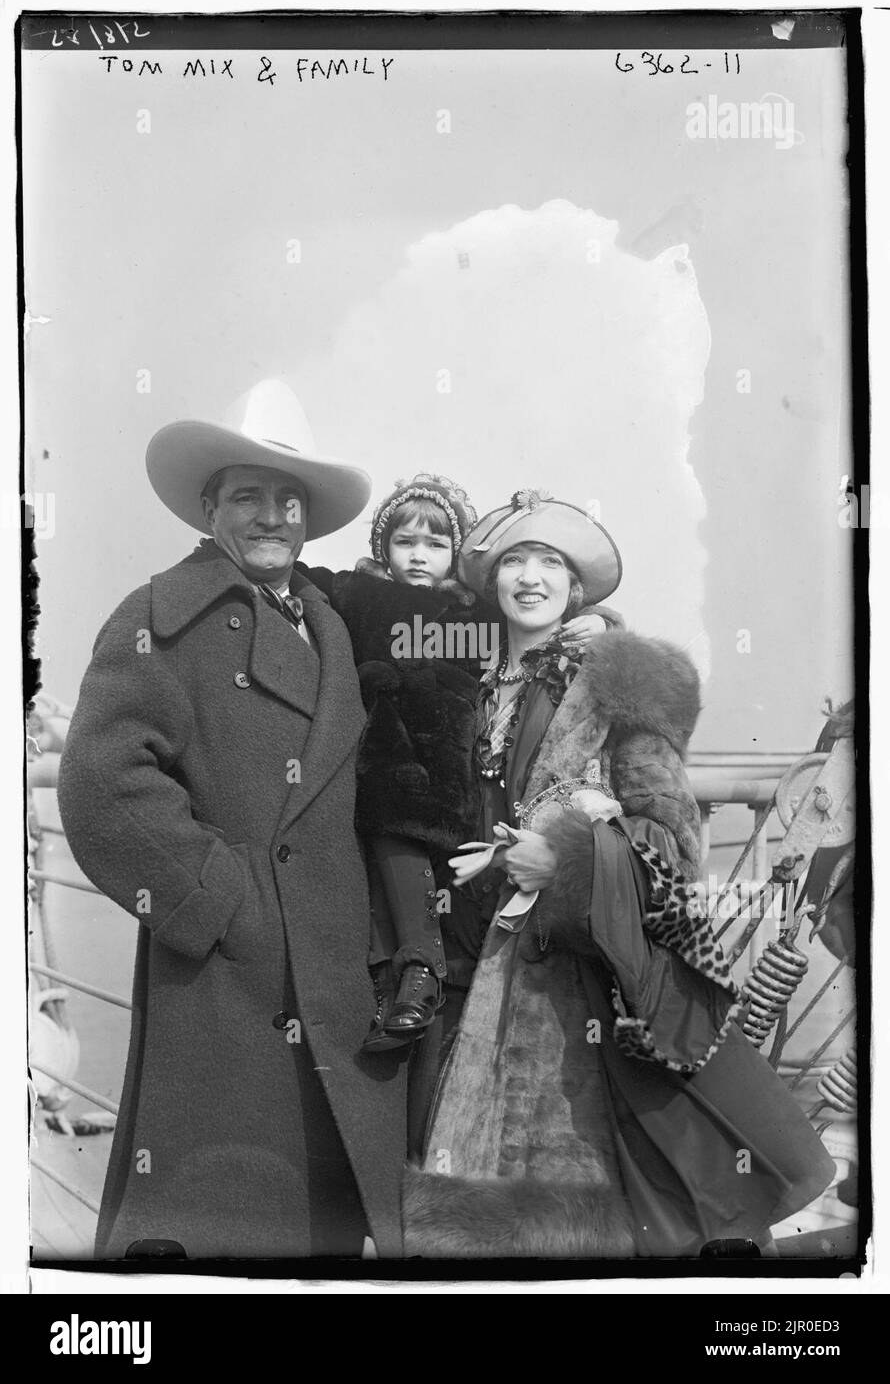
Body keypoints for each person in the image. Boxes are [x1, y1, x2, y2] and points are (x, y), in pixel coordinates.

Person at [403, 490, 836, 1257]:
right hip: (469, 969)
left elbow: (670, 837)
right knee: (466, 1201)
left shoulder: (618, 682)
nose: (529, 577)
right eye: (513, 560)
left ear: (578, 587)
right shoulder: (473, 682)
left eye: (551, 563)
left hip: (577, 986)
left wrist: (561, 860)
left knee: (579, 1207)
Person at [57, 380, 408, 1260]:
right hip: (226, 983)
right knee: (224, 1221)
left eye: (288, 499)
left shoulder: (329, 623)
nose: (272, 515)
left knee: (321, 1234)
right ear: (210, 507)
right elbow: (102, 783)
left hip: (337, 974)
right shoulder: (160, 618)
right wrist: (221, 899)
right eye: (248, 495)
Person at [297, 475, 607, 1052]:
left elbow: (546, 608)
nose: (419, 556)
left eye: (436, 544)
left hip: (456, 764)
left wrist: (607, 621)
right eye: (404, 542)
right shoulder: (359, 595)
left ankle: (420, 977)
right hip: (385, 755)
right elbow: (298, 577)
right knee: (391, 842)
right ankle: (410, 976)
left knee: (431, 864)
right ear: (381, 547)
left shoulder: (476, 613)